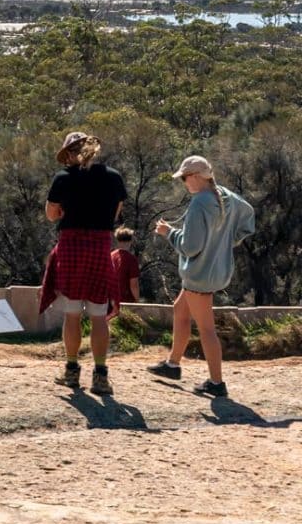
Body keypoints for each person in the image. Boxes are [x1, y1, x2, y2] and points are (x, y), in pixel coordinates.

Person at [148, 156, 255, 398]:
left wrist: (168, 232)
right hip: (213, 272)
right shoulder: (226, 196)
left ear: (196, 176)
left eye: (185, 178)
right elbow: (248, 215)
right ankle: (173, 364)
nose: (184, 182)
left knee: (206, 329)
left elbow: (190, 247)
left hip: (199, 275)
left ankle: (217, 383)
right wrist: (226, 242)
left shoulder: (199, 203)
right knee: (180, 310)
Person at [39, 131, 127, 395]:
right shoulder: (113, 177)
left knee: (72, 313)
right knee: (99, 315)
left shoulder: (63, 178)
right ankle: (100, 376)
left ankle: (71, 371)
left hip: (71, 247)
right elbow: (115, 214)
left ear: (69, 153)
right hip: (99, 248)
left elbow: (51, 215)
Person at [110, 227, 141, 307]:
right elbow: (134, 284)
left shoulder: (111, 256)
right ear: (130, 241)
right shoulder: (131, 259)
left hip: (110, 300)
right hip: (125, 301)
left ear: (117, 240)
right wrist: (137, 301)